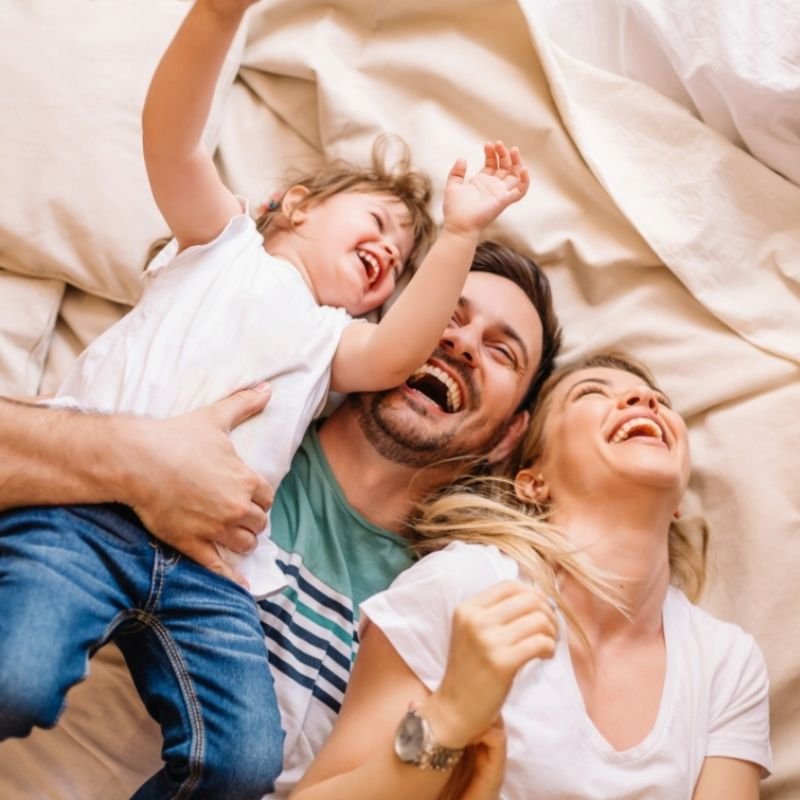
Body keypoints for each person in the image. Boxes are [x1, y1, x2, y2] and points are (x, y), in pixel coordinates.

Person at [0, 0, 531, 797]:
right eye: (381, 222)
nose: (390, 248)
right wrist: (217, 17)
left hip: (212, 569)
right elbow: (171, 140)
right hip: (86, 514)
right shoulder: (221, 244)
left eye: (402, 258)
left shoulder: (335, 345)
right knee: (18, 678)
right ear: (294, 203)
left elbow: (401, 347)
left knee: (246, 761)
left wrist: (457, 235)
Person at [0, 239, 561, 798]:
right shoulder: (223, 404)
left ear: (511, 435)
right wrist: (138, 460)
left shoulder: (446, 605)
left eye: (501, 352)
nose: (461, 343)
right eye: (445, 314)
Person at [289, 352, 772, 800]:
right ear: (533, 479)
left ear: (679, 502)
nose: (644, 400)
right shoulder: (465, 586)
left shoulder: (726, 666)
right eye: (591, 393)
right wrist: (448, 718)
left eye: (660, 402)